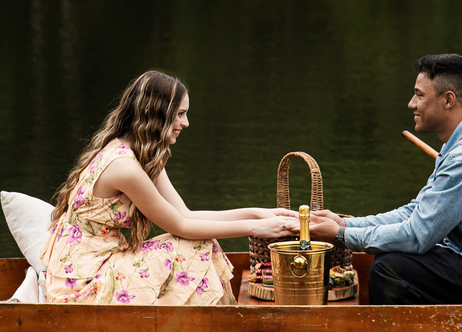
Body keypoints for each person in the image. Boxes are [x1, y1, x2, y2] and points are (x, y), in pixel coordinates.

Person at [309, 54, 462, 305]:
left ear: (448, 100)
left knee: (390, 268)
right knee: (393, 258)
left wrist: (340, 236)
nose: (411, 104)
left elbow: (417, 235)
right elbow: (416, 212)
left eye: (419, 95)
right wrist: (345, 223)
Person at [40, 70, 298, 305]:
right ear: (157, 113)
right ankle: (214, 330)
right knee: (194, 244)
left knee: (197, 242)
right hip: (79, 282)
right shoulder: (124, 167)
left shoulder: (145, 156)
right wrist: (255, 228)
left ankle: (212, 328)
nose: (185, 123)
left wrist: (260, 213)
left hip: (103, 263)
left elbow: (186, 214)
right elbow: (181, 227)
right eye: (180, 114)